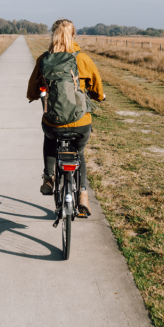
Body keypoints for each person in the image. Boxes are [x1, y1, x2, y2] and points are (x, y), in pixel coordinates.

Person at [27, 19, 104, 215]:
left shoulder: (44, 59)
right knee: (79, 153)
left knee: (50, 137)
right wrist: (99, 96)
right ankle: (83, 196)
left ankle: (48, 178)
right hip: (81, 123)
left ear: (52, 35)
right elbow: (97, 87)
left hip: (54, 122)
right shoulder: (83, 58)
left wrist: (35, 96)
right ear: (74, 36)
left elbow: (32, 91)